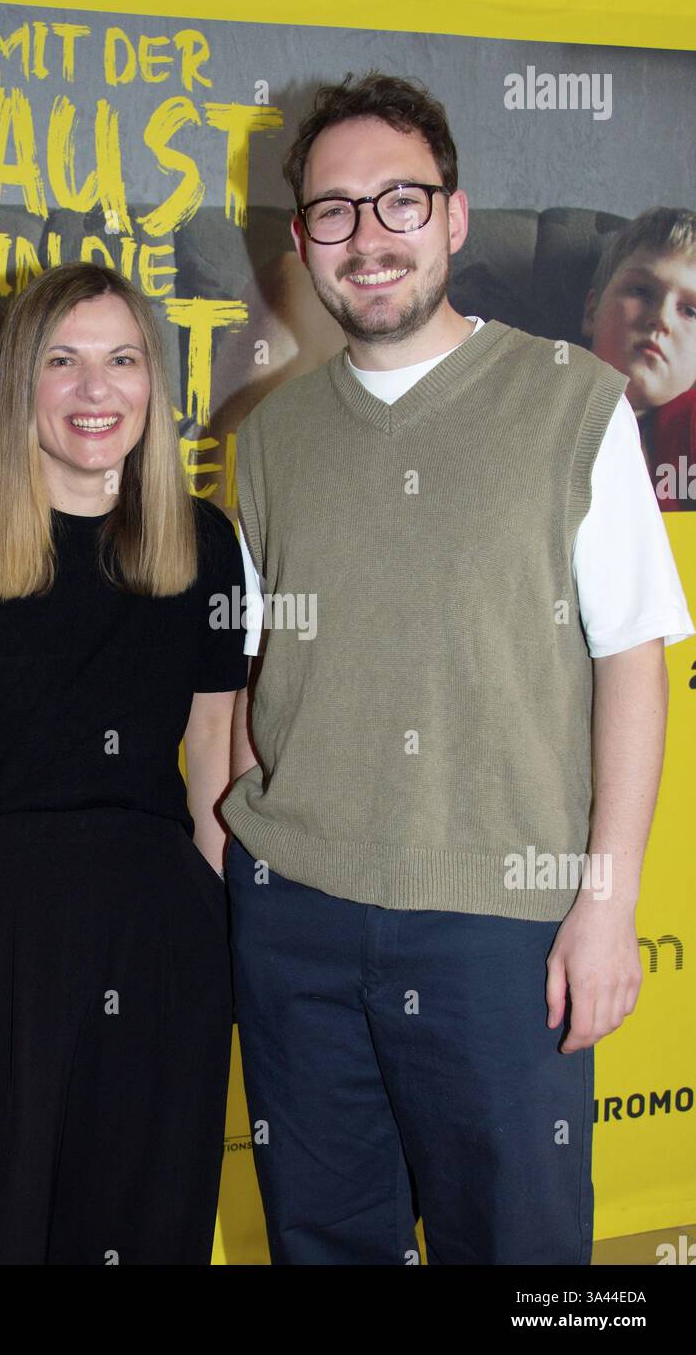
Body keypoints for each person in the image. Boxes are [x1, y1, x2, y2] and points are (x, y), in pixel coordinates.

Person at [222, 72, 695, 1265]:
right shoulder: (268, 438)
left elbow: (629, 667)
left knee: (521, 1255)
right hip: (297, 908)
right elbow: (250, 666)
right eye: (334, 211)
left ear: (454, 215)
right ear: (302, 241)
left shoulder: (574, 406)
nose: (367, 237)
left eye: (399, 201)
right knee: (322, 1242)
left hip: (499, 926)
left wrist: (604, 902)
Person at [0, 260, 247, 1265]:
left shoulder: (201, 537)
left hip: (157, 923)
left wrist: (210, 897)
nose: (93, 389)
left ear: (153, 383)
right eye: (62, 361)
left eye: (120, 360)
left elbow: (213, 734)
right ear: (19, 380)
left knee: (142, 1217)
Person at [582, 206, 696, 512]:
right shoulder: (537, 393)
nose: (661, 319)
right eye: (641, 291)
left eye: (690, 311)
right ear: (593, 311)